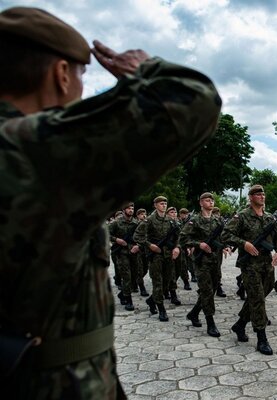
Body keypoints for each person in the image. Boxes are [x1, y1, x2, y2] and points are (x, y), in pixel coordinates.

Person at [0, 6, 221, 399]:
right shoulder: (31, 149)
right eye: (82, 76)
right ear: (61, 73)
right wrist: (145, 69)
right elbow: (193, 100)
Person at [221, 185, 277, 355]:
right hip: (250, 265)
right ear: (250, 197)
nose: (262, 196)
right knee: (258, 300)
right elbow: (226, 234)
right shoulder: (242, 216)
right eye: (258, 194)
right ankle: (262, 338)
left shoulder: (270, 218)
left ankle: (240, 324)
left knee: (259, 296)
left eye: (263, 194)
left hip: (267, 264)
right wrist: (244, 244)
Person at [180, 192, 229, 337]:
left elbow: (221, 237)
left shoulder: (217, 221)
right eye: (207, 200)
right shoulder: (194, 220)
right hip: (201, 262)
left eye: (212, 200)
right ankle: (210, 323)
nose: (211, 202)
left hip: (215, 260)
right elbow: (183, 238)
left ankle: (194, 313)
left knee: (212, 289)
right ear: (201, 203)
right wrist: (198, 244)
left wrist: (224, 246)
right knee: (207, 291)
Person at [134, 196, 182, 320]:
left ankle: (151, 300)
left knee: (167, 283)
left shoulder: (170, 220)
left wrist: (177, 247)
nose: (164, 205)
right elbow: (137, 236)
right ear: (155, 205)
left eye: (165, 203)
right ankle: (161, 309)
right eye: (161, 203)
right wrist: (150, 245)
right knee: (158, 283)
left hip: (168, 255)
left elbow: (179, 236)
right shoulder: (149, 220)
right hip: (155, 256)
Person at [108, 202, 140, 311]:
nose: (131, 210)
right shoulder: (116, 223)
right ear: (123, 210)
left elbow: (142, 236)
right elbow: (107, 233)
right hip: (121, 253)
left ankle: (122, 294)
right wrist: (117, 240)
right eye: (129, 208)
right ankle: (128, 300)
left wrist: (138, 246)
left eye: (132, 208)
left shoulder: (136, 223)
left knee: (135, 276)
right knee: (127, 276)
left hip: (133, 252)